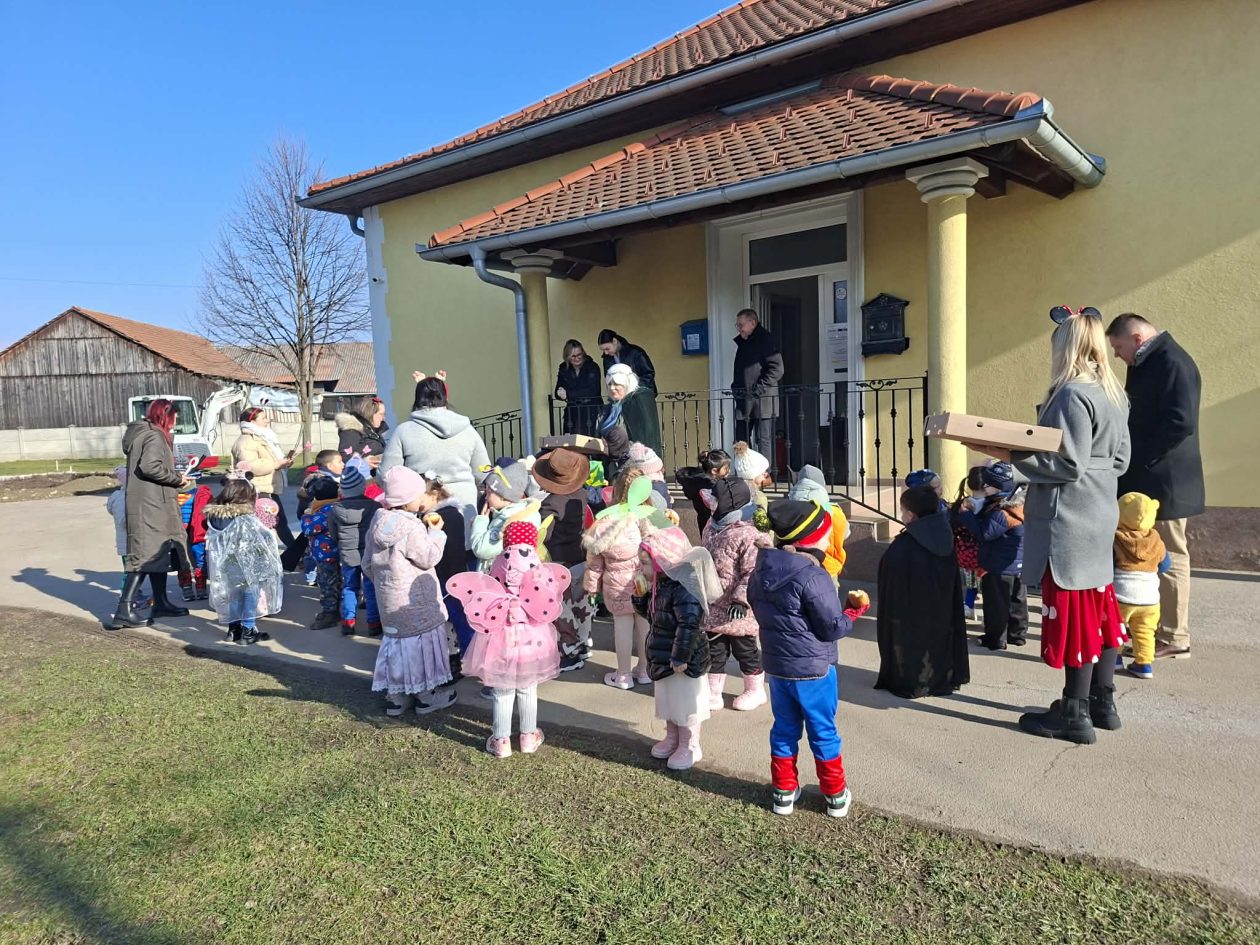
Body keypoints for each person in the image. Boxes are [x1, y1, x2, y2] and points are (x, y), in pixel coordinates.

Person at [976, 308, 1130, 745]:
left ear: (1063, 347)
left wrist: (1010, 458)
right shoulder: (1114, 393)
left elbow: (1067, 462)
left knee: (1077, 616)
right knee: (1100, 611)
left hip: (1069, 518)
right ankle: (1102, 700)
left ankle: (1075, 712)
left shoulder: (1071, 395)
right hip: (1099, 511)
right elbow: (1120, 461)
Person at [748, 499, 869, 817]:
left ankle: (784, 791)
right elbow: (832, 628)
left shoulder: (761, 569)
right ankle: (835, 794)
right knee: (823, 729)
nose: (831, 540)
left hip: (778, 667)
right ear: (811, 538)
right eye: (827, 533)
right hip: (814, 670)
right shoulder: (815, 577)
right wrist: (853, 611)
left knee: (784, 728)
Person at [1106, 313, 1204, 661]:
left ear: (1135, 337)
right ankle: (1151, 630)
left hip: (1167, 480)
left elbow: (1182, 421)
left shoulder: (1172, 361)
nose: (1116, 356)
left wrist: (1142, 456)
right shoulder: (1149, 361)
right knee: (1147, 557)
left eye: (1117, 347)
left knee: (1171, 555)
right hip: (1149, 477)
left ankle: (1176, 636)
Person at [449, 521, 569, 758]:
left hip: (500, 635)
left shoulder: (498, 562)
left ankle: (501, 740)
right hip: (532, 636)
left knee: (502, 690)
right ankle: (528, 736)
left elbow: (487, 588)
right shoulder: (537, 563)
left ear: (507, 541)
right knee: (527, 688)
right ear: (533, 541)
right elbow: (548, 594)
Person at [362, 466, 457, 717]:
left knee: (397, 645)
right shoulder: (412, 527)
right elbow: (428, 557)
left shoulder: (378, 521)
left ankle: (396, 697)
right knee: (420, 646)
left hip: (389, 602)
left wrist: (384, 584)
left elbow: (367, 564)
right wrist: (436, 533)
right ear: (408, 499)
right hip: (417, 603)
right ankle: (426, 697)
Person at [636, 526, 722, 771]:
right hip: (664, 654)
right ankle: (672, 736)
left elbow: (689, 626)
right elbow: (653, 617)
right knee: (669, 700)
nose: (641, 568)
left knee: (685, 704)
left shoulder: (684, 588)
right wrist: (640, 597)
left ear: (663, 561)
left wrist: (680, 656)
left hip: (683, 659)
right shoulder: (661, 583)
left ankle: (690, 744)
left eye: (645, 563)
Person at [876, 486, 970, 699]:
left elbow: (890, 578)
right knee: (938, 639)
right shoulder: (944, 533)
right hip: (941, 606)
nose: (902, 515)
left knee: (912, 643)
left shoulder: (905, 543)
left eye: (902, 510)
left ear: (911, 514)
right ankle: (939, 679)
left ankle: (913, 681)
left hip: (910, 608)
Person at [583, 469, 671, 690]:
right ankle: (644, 670)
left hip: (615, 581)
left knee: (622, 626)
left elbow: (594, 562)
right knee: (644, 625)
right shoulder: (649, 516)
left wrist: (592, 588)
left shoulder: (605, 521)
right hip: (645, 580)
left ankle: (623, 675)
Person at [110, 399, 194, 629]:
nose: (176, 421)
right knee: (145, 556)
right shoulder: (154, 436)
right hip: (151, 506)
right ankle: (123, 610)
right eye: (175, 417)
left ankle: (161, 602)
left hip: (150, 503)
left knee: (158, 554)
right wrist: (177, 478)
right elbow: (150, 466)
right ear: (166, 416)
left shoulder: (145, 434)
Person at [380, 376, 491, 545]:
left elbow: (387, 474)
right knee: (464, 561)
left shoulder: (404, 431)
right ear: (445, 398)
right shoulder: (468, 430)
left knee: (426, 560)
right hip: (464, 505)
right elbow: (483, 471)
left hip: (423, 504)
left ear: (417, 400)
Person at [702, 478, 773, 712]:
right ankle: (713, 692)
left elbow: (752, 571)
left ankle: (755, 690)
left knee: (746, 650)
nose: (711, 502)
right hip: (713, 601)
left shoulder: (748, 533)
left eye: (715, 498)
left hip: (738, 607)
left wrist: (741, 600)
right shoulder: (712, 526)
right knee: (715, 649)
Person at [533, 447, 597, 672]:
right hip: (579, 556)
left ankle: (570, 651)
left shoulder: (551, 504)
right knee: (581, 604)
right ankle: (583, 642)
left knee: (562, 608)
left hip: (559, 562)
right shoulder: (581, 494)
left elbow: (543, 534)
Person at [203, 476, 282, 645]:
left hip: (226, 564)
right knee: (249, 594)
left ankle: (233, 629)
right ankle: (248, 629)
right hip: (247, 563)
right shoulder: (244, 518)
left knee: (234, 594)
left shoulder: (214, 517)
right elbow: (257, 540)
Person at [959, 462, 1027, 650]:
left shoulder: (1002, 513)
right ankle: (1017, 635)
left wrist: (966, 516)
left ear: (1000, 488)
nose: (984, 488)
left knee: (996, 605)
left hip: (998, 566)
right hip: (1016, 563)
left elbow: (984, 534)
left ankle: (995, 639)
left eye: (987, 485)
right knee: (1017, 601)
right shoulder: (1018, 505)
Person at [1113, 492, 1172, 680]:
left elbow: (1107, 563)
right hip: (1150, 599)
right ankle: (1144, 664)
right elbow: (1165, 565)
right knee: (1145, 632)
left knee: (1116, 628)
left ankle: (1114, 658)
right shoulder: (1157, 541)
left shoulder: (1116, 538)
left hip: (1121, 595)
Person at [328, 460, 381, 637]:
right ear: (362, 487)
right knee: (370, 588)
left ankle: (348, 622)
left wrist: (341, 543)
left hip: (348, 554)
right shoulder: (374, 507)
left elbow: (333, 533)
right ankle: (373, 622)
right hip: (368, 553)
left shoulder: (335, 509)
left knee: (350, 587)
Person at [231, 407, 296, 548]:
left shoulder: (262, 438)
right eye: (264, 418)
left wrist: (283, 463)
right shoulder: (246, 441)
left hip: (267, 487)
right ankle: (293, 554)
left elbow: (270, 461)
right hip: (258, 489)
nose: (268, 421)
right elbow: (250, 466)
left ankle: (295, 554)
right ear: (252, 421)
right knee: (269, 526)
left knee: (279, 523)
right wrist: (276, 463)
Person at [732, 309, 784, 458]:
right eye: (737, 325)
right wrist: (735, 388)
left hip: (763, 399)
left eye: (741, 324)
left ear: (752, 323)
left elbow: (777, 369)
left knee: (763, 440)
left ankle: (763, 476)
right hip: (744, 399)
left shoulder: (765, 340)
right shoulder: (744, 342)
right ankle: (743, 473)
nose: (739, 328)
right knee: (741, 440)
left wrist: (758, 389)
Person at [471, 461, 541, 573]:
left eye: (489, 493)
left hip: (497, 579)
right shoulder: (525, 513)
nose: (485, 497)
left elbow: (482, 550)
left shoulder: (508, 520)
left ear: (503, 496)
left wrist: (480, 523)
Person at [786, 464, 849, 581]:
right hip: (828, 566)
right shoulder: (834, 511)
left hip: (794, 565)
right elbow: (845, 532)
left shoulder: (790, 507)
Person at [106, 467, 153, 611]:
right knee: (131, 572)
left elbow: (109, 509)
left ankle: (134, 595)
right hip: (128, 543)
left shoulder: (117, 496)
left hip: (127, 543)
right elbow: (123, 521)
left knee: (134, 571)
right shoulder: (123, 498)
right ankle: (128, 598)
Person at [302, 477, 343, 631]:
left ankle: (330, 613)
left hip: (327, 556)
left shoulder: (325, 511)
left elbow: (308, 529)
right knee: (337, 583)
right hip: (336, 554)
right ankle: (338, 612)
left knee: (328, 585)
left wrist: (307, 515)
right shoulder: (337, 506)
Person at [598, 364, 663, 457]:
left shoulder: (638, 402)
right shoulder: (608, 410)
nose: (612, 388)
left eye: (617, 384)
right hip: (611, 463)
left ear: (627, 384)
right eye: (609, 384)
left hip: (634, 463)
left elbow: (645, 438)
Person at [949, 467, 987, 621]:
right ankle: (987, 611)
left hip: (964, 551)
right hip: (982, 552)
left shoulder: (961, 504)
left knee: (971, 582)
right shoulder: (989, 505)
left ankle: (968, 606)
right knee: (986, 584)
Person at [174, 473, 213, 603]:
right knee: (182, 560)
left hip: (197, 531)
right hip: (178, 533)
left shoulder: (201, 492)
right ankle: (186, 586)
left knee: (200, 558)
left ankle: (201, 585)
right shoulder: (169, 493)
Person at [553, 340, 603, 436]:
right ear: (567, 357)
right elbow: (559, 389)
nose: (577, 358)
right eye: (573, 356)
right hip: (572, 414)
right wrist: (560, 393)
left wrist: (568, 394)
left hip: (591, 412)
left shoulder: (592, 367)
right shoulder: (564, 368)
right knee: (571, 445)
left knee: (590, 445)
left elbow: (592, 391)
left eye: (579, 354)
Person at [675, 449, 731, 533]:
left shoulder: (698, 483)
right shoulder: (712, 487)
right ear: (714, 471)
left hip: (703, 522)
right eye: (726, 468)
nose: (729, 471)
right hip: (716, 525)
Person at [335, 395, 389, 470]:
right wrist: (364, 463)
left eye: (384, 414)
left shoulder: (374, 432)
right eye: (381, 414)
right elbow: (345, 458)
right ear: (369, 413)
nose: (383, 418)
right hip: (361, 478)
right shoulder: (352, 431)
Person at [597, 329, 656, 394]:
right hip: (622, 397)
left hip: (643, 395)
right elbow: (609, 378)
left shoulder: (636, 352)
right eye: (603, 350)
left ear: (614, 341)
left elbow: (648, 374)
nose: (605, 353)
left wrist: (635, 389)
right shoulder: (607, 358)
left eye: (607, 349)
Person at [732, 441, 771, 508]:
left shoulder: (737, 494)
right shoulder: (759, 498)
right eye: (763, 473)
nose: (765, 474)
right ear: (753, 476)